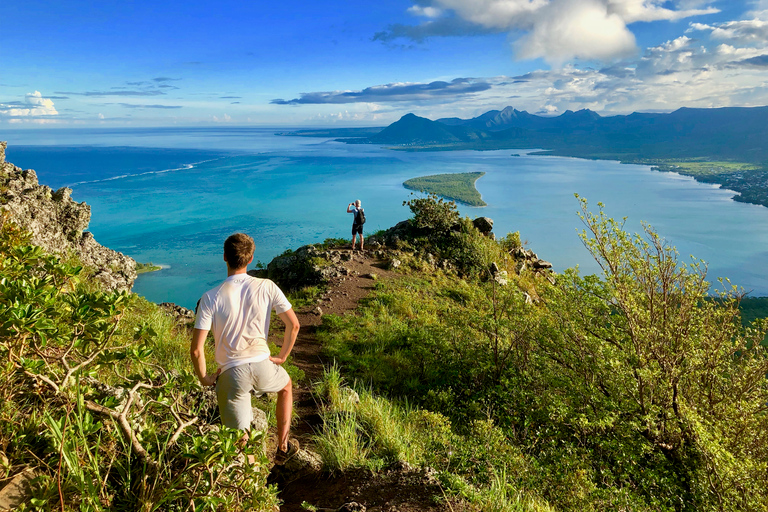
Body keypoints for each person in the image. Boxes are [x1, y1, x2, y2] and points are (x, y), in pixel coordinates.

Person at [191, 233, 301, 463]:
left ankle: (250, 484)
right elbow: (294, 325)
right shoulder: (267, 286)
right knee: (286, 387)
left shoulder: (210, 297)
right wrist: (281, 356)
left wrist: (204, 378)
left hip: (231, 374)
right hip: (263, 365)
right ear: (250, 259)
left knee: (241, 445)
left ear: (224, 257)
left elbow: (196, 351)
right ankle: (283, 446)